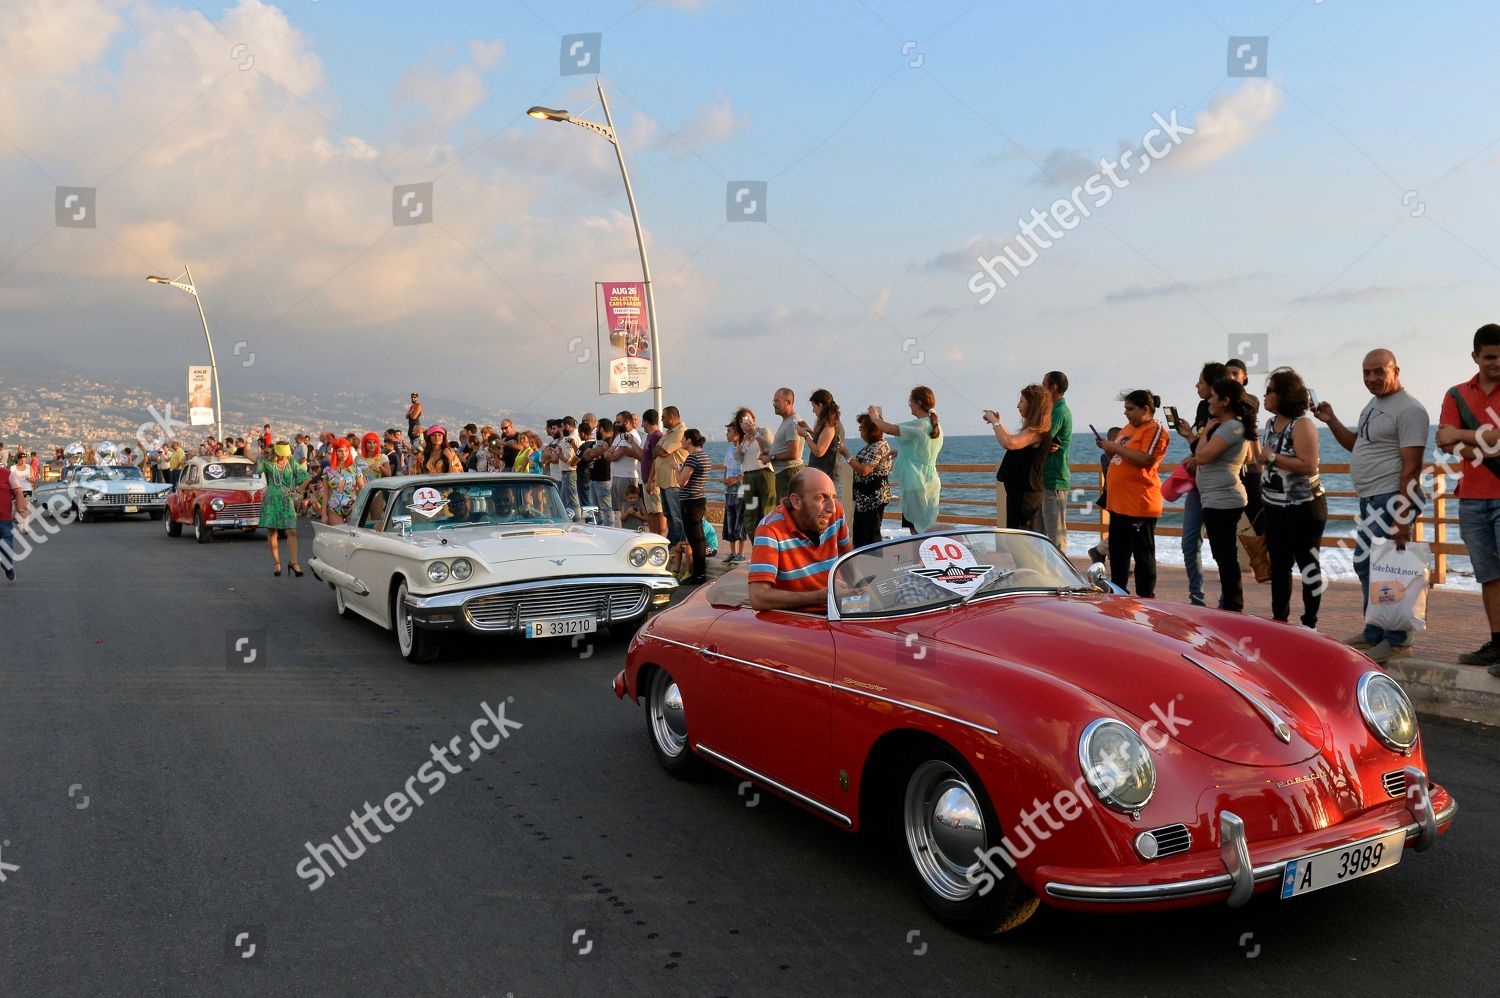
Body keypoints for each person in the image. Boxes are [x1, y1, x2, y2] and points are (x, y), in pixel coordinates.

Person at [1315, 349, 1429, 663]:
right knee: (1368, 566)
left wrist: (1402, 518)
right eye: (1366, 372)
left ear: (1397, 370)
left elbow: (1413, 466)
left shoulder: (1410, 410)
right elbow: (1358, 445)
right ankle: (1374, 632)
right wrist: (1332, 420)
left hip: (1392, 497)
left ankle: (1397, 641)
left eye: (1379, 371)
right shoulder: (1373, 406)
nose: (1371, 378)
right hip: (1371, 499)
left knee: (1390, 569)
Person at [1437, 323, 1500, 669]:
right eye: (1490, 357)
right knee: (1488, 574)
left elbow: (1455, 437)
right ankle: (1497, 643)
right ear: (1475, 357)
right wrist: (1488, 443)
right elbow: (1444, 442)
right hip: (1472, 497)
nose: (1497, 363)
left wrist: (1465, 436)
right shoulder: (1456, 394)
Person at [1260, 367, 1327, 629]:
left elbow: (1308, 464)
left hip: (1304, 507)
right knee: (1279, 566)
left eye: (1269, 391)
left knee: (1308, 565)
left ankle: (1310, 622)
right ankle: (1280, 620)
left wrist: (1273, 457)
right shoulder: (1269, 424)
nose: (1265, 397)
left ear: (1284, 394)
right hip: (1275, 507)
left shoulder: (1302, 424)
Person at [1183, 379, 1254, 613]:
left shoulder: (1231, 427)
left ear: (1225, 401)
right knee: (1223, 554)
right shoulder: (1226, 426)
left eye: (1213, 397)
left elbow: (1202, 456)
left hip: (1224, 499)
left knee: (1225, 556)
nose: (1209, 401)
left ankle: (1233, 605)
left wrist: (1206, 433)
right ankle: (1231, 604)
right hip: (1215, 499)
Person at [747, 468, 853, 610]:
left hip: (836, 610)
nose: (832, 508)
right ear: (796, 501)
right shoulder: (770, 529)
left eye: (833, 497)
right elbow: (758, 597)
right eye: (821, 498)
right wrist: (822, 596)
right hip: (798, 620)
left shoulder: (836, 513)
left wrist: (863, 592)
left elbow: (847, 560)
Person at [1098, 391, 1169, 597]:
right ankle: (1119, 595)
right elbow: (1120, 458)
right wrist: (1108, 449)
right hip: (1119, 503)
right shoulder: (1128, 429)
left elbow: (1146, 459)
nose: (1126, 413)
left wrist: (1116, 448)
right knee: (1118, 555)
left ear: (1145, 409)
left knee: (1142, 555)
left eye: (1130, 409)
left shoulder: (1155, 429)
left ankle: (1147, 599)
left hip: (1140, 503)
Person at [1171, 362, 1229, 606]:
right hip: (1197, 484)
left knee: (1221, 547)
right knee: (1189, 542)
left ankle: (1228, 599)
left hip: (1219, 487)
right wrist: (1190, 440)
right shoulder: (1201, 408)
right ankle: (1197, 596)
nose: (1196, 386)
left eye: (1201, 382)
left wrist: (1194, 443)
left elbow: (1210, 450)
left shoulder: (1230, 414)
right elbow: (1201, 447)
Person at [867, 386, 943, 534]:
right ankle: (926, 556)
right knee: (929, 527)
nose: (909, 405)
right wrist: (902, 452)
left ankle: (918, 557)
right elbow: (923, 450)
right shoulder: (935, 425)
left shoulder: (920, 424)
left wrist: (874, 416)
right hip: (931, 482)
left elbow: (888, 428)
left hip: (916, 482)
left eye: (911, 402)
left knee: (915, 530)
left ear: (918, 403)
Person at [984, 383, 1052, 532]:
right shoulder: (1032, 431)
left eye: (1022, 401)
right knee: (1016, 537)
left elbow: (1009, 443)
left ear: (1033, 404)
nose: (1018, 405)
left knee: (1021, 539)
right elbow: (1014, 439)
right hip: (1019, 493)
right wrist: (998, 423)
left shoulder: (1037, 431)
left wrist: (995, 422)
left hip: (1026, 495)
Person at [256, 441, 311, 577]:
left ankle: (294, 562)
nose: (283, 458)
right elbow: (249, 456)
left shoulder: (291, 462)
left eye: (286, 455)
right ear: (276, 452)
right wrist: (249, 440)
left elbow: (307, 477)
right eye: (281, 455)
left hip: (287, 500)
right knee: (272, 531)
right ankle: (277, 563)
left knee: (291, 531)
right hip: (271, 500)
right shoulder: (267, 462)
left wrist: (298, 491)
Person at [842, 412, 893, 549]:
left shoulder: (879, 446)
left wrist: (847, 456)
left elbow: (865, 470)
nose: (859, 429)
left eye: (862, 427)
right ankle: (863, 562)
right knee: (860, 536)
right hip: (863, 498)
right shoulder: (871, 445)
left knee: (871, 537)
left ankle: (873, 565)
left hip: (873, 498)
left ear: (871, 429)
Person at [1040, 371, 1073, 550]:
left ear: (1053, 387)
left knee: (1056, 535)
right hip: (1046, 479)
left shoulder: (1059, 412)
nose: (1041, 387)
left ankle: (1061, 576)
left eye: (1044, 384)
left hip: (1055, 480)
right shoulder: (1053, 410)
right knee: (1042, 534)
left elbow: (1041, 438)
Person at [675, 429, 712, 584]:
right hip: (699, 499)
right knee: (699, 539)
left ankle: (697, 575)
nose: (682, 442)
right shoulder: (704, 456)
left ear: (689, 440)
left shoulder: (692, 458)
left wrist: (676, 469)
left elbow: (682, 482)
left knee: (694, 539)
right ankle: (698, 573)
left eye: (683, 439)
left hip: (690, 501)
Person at [735, 408, 775, 529]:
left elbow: (769, 448)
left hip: (764, 473)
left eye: (746, 419)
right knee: (750, 514)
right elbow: (737, 458)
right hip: (747, 477)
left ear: (753, 419)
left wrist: (755, 434)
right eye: (741, 421)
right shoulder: (743, 439)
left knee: (767, 511)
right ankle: (755, 544)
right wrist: (743, 442)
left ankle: (769, 543)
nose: (744, 423)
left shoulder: (764, 431)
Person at [655, 406, 687, 543]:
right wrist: (657, 450)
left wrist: (658, 450)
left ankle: (680, 542)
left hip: (674, 480)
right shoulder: (669, 433)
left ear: (672, 417)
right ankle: (673, 541)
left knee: (677, 515)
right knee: (668, 514)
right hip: (664, 480)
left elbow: (662, 452)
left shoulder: (680, 432)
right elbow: (655, 450)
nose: (661, 420)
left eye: (663, 417)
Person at [797, 389, 844, 477]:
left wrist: (805, 435)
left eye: (814, 407)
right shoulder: (831, 422)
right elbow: (825, 441)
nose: (813, 410)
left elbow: (819, 451)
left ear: (820, 405)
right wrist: (809, 431)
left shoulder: (830, 424)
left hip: (825, 475)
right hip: (824, 474)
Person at [768, 388, 805, 500]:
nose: (774, 404)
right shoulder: (787, 421)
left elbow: (794, 453)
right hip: (784, 474)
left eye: (777, 401)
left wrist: (772, 457)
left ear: (788, 402)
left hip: (789, 473)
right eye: (773, 401)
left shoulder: (792, 422)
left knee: (787, 511)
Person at [322, 439, 366, 527]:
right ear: (335, 452)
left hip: (353, 508)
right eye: (340, 451)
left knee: (352, 537)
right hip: (334, 508)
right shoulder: (327, 470)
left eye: (346, 450)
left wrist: (358, 505)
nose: (343, 454)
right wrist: (323, 513)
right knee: (338, 538)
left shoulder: (355, 469)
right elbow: (325, 493)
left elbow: (363, 489)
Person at [0, 459, 29, 581]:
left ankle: (8, 567)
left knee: (6, 546)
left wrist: (21, 509)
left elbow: (18, 491)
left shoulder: (7, 474)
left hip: (3, 518)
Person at [721, 420, 746, 563]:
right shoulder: (729, 449)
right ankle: (732, 552)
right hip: (729, 490)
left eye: (729, 431)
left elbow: (747, 469)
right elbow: (726, 467)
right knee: (730, 520)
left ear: (737, 434)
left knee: (741, 520)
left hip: (742, 489)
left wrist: (735, 479)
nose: (727, 434)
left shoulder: (743, 448)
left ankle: (741, 553)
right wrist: (725, 480)